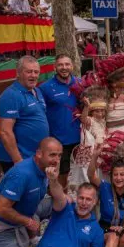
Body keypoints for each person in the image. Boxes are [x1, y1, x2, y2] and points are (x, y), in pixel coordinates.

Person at [0, 56, 50, 173]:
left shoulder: (37, 91)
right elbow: (5, 132)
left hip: (35, 156)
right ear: (18, 73)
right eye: (28, 72)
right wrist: (18, 161)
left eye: (36, 72)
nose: (33, 75)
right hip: (20, 160)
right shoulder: (11, 95)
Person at [39, 54, 81, 189]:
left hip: (80, 137)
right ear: (55, 67)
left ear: (72, 66)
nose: (64, 68)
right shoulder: (45, 88)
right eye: (60, 65)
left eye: (67, 64)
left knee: (83, 173)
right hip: (59, 140)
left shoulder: (81, 83)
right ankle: (60, 202)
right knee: (61, 175)